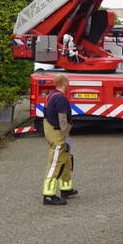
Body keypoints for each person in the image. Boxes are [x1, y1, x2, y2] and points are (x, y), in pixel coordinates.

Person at [41, 74, 77, 205]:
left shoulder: (51, 95)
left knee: (66, 160)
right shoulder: (61, 99)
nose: (69, 83)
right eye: (68, 81)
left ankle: (66, 189)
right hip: (58, 135)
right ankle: (48, 194)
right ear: (64, 82)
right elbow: (62, 120)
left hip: (52, 131)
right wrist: (66, 136)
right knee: (55, 164)